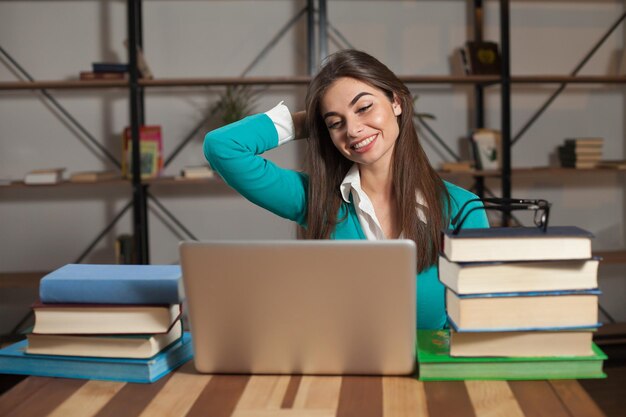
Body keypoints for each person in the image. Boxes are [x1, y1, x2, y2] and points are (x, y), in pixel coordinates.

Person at [204, 49, 488, 329]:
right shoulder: (315, 198)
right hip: (340, 370)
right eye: (335, 122)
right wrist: (308, 122)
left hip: (428, 371)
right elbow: (223, 147)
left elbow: (479, 317)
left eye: (364, 108)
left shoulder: (463, 209)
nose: (352, 130)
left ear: (396, 102)